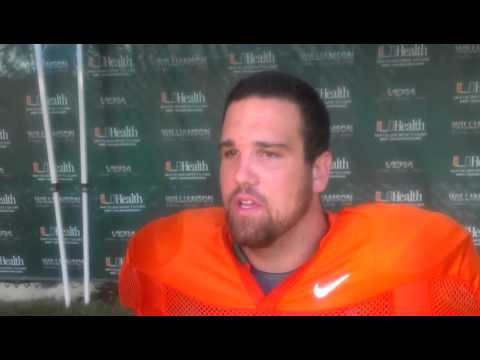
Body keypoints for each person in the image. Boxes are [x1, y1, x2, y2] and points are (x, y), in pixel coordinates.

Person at [118, 71, 480, 315]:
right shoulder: (163, 256)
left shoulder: (414, 255)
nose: (241, 175)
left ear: (319, 171)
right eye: (230, 153)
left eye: (269, 154)